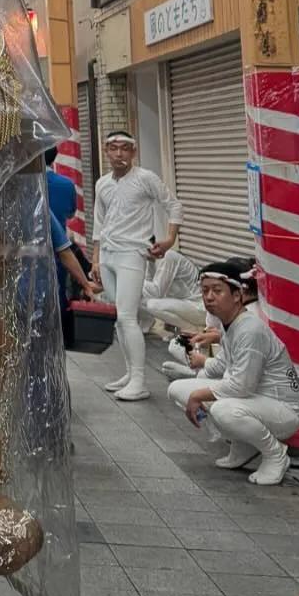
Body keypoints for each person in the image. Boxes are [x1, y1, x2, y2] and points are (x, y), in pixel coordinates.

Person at [167, 263, 299, 484]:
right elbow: (221, 366)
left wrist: (198, 395)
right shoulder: (230, 325)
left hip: (284, 410)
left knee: (223, 409)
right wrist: (197, 362)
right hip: (255, 401)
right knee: (177, 389)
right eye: (205, 291)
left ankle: (275, 454)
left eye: (217, 290)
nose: (209, 297)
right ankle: (244, 444)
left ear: (237, 295)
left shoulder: (250, 329)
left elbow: (241, 386)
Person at [92, 129, 182, 401]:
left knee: (128, 317)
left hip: (133, 253)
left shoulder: (146, 179)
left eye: (124, 148)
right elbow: (99, 221)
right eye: (113, 148)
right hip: (107, 254)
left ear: (133, 152)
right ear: (106, 151)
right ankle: (130, 373)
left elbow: (174, 206)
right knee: (119, 319)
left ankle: (140, 380)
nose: (119, 153)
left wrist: (169, 240)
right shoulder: (102, 184)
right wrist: (95, 259)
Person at [140, 246, 206, 337]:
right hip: (187, 306)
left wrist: (134, 280)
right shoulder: (153, 259)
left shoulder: (169, 256)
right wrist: (150, 262)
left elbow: (156, 292)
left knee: (152, 304)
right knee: (140, 296)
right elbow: (150, 289)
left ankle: (192, 331)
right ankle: (145, 327)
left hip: (199, 308)